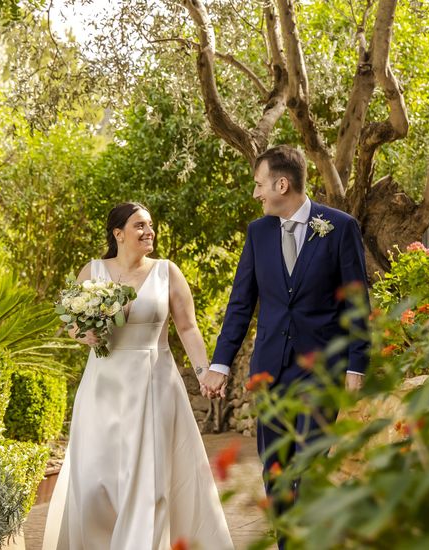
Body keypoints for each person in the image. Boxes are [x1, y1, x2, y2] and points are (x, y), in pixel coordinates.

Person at [201, 145, 370, 545]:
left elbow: (357, 302)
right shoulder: (258, 233)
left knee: (310, 468)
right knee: (275, 468)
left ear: (282, 183)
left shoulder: (340, 226)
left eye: (260, 185)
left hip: (321, 370)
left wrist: (356, 365)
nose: (256, 194)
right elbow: (241, 302)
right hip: (270, 371)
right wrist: (221, 363)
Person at [43, 202, 233, 550]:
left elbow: (188, 327)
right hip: (102, 386)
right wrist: (81, 334)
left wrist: (205, 372)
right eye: (140, 226)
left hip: (154, 384)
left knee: (150, 481)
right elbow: (70, 322)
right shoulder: (93, 270)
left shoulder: (167, 272)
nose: (149, 232)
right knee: (92, 482)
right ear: (118, 234)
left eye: (150, 225)